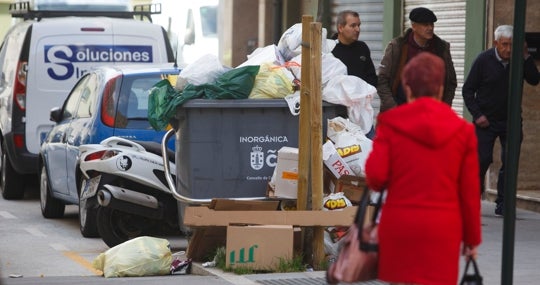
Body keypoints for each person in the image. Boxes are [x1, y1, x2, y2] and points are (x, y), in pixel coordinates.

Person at [365, 52, 482, 285]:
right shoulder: (463, 131)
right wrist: (471, 239)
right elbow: (469, 193)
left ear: (407, 88)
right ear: (440, 89)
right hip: (443, 229)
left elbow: (376, 176)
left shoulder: (390, 124)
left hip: (400, 225)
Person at [462, 25, 540, 216]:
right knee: (481, 160)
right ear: (496, 43)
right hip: (485, 121)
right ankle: (473, 200)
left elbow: (534, 79)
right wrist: (477, 114)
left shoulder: (519, 60)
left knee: (510, 161)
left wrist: (525, 56)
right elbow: (468, 90)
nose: (507, 49)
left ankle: (504, 203)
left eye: (512, 45)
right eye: (504, 45)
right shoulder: (483, 60)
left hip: (511, 120)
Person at [377, 7, 457, 112]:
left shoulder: (441, 48)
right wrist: (394, 108)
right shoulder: (398, 46)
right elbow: (382, 80)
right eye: (425, 24)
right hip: (401, 110)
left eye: (432, 24)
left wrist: (443, 108)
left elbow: (451, 81)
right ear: (414, 26)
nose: (430, 28)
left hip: (431, 112)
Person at [331, 10, 378, 138]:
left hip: (361, 112)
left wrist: (363, 93)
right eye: (353, 26)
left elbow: (372, 78)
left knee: (370, 149)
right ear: (340, 28)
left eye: (359, 25)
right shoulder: (329, 49)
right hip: (335, 113)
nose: (357, 29)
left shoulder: (362, 48)